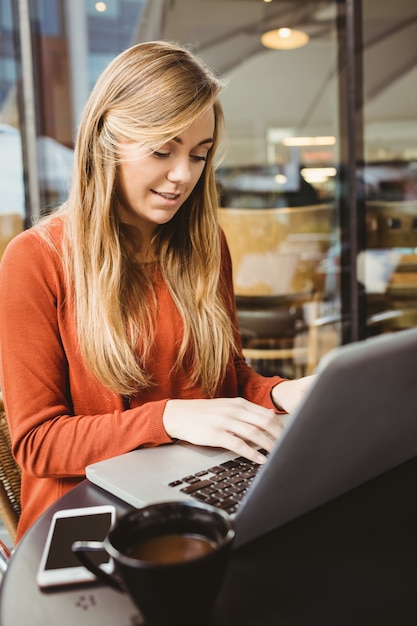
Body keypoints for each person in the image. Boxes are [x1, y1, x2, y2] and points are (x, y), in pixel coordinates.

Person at [0, 41, 314, 542]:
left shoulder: (204, 246)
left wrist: (281, 393)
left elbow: (225, 383)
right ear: (107, 141)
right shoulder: (35, 259)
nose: (183, 175)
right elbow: (38, 445)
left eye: (199, 154)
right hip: (85, 517)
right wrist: (167, 418)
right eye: (162, 150)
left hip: (191, 490)